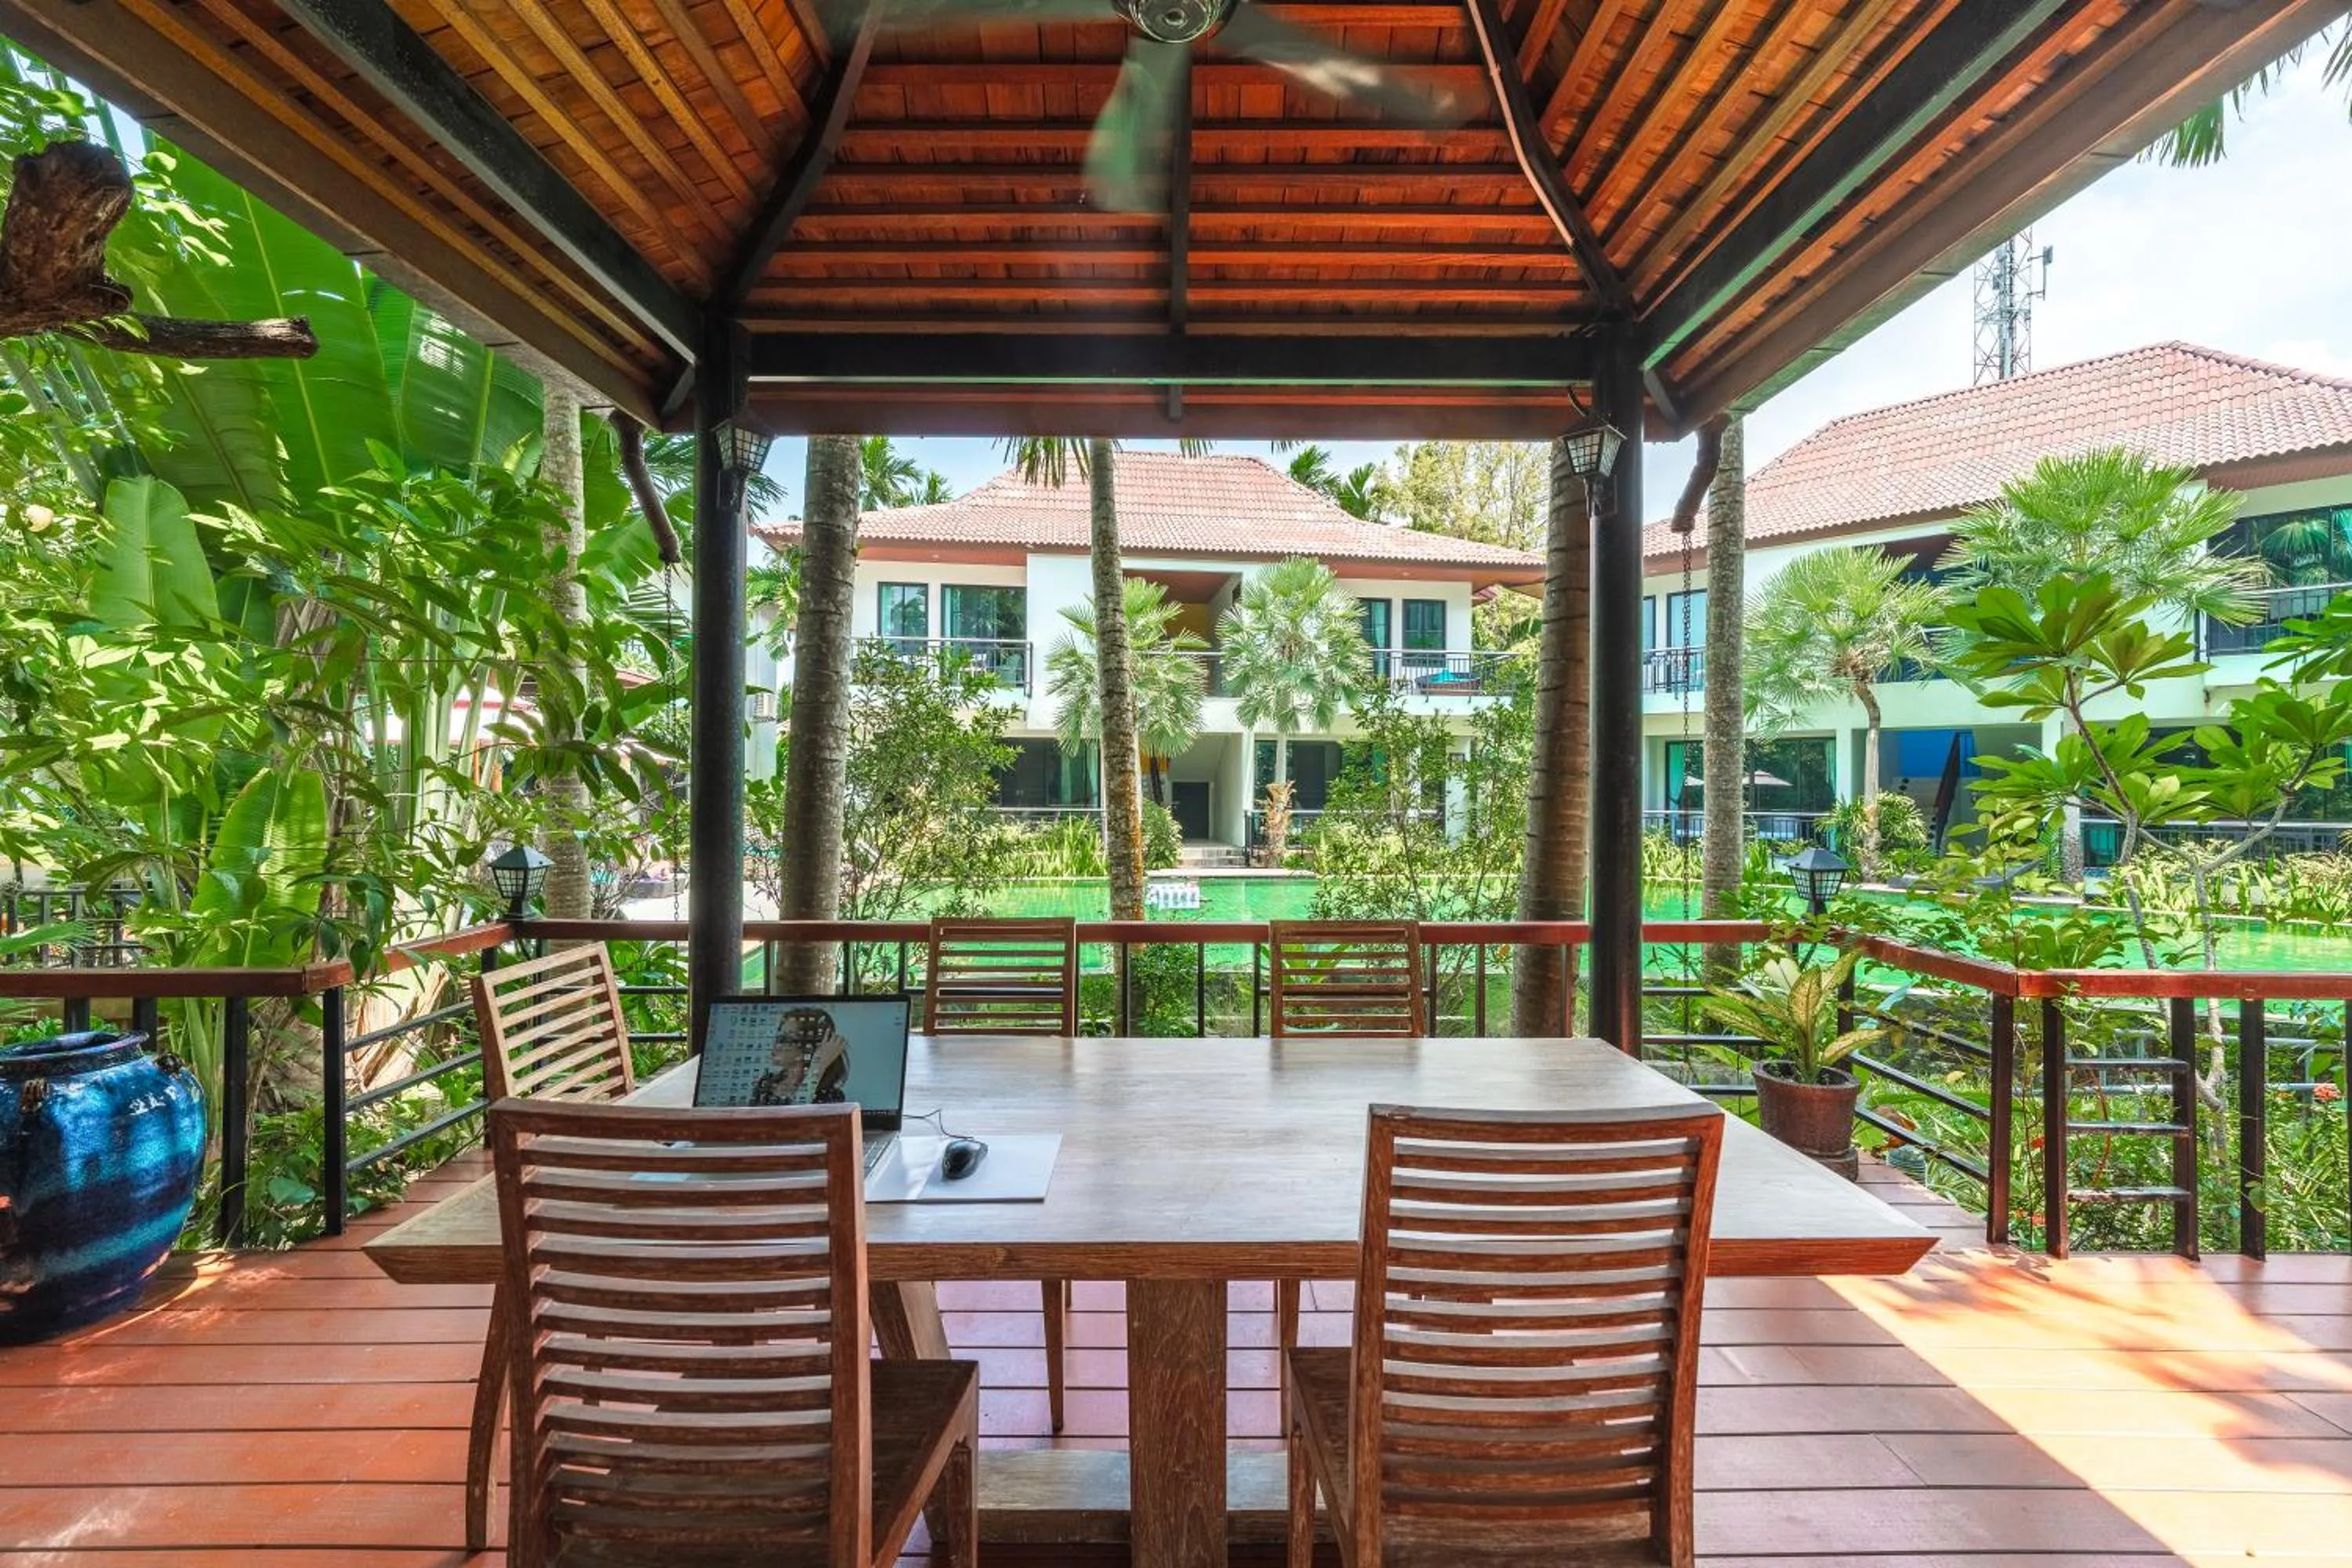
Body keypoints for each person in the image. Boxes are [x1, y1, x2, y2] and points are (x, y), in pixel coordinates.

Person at [749, 1007, 851, 1105]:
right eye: (777, 1037)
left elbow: (795, 1120)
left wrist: (817, 1066)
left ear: (807, 1048)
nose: (776, 1045)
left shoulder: (829, 1096)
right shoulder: (767, 1083)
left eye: (784, 1039)